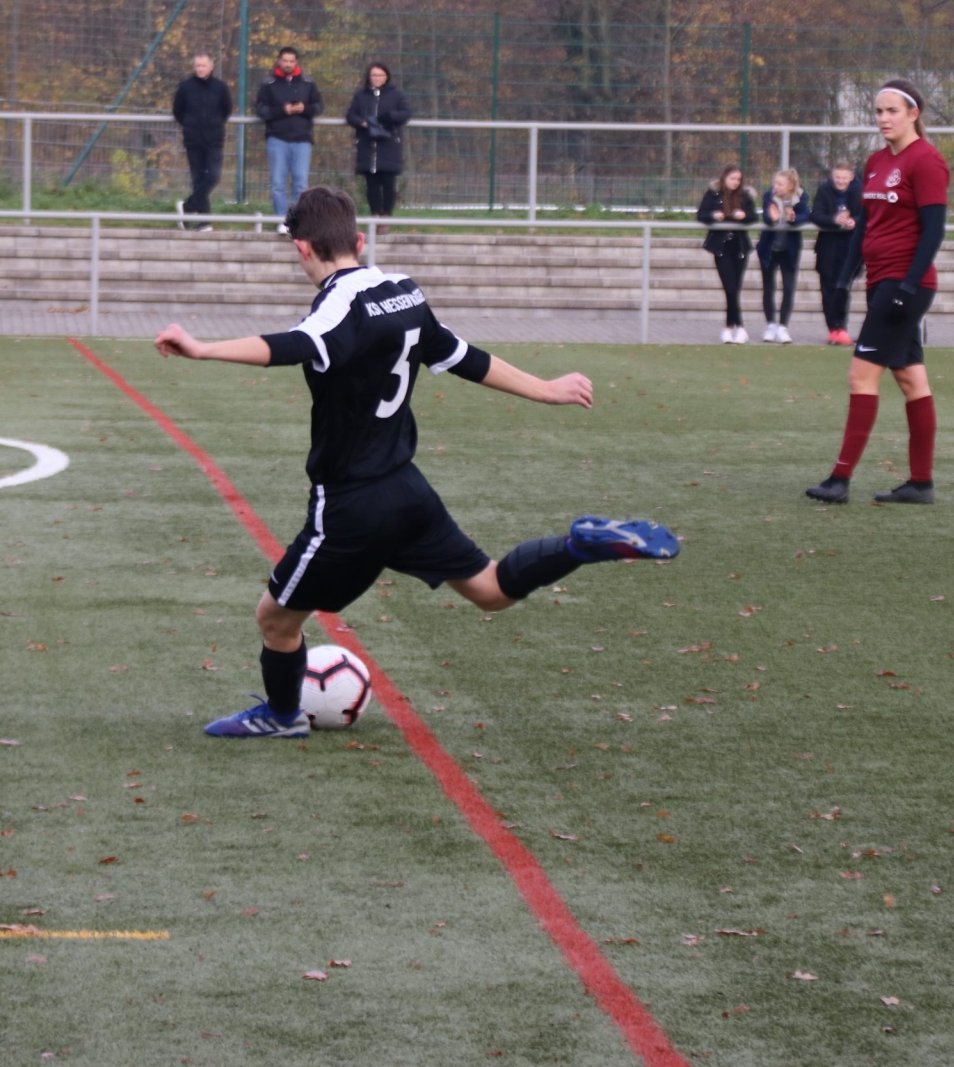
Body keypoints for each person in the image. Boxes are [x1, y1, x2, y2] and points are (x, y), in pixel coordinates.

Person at [153, 186, 681, 738]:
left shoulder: (338, 306)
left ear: (301, 248)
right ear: (359, 240)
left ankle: (283, 717)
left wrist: (205, 348)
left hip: (350, 507)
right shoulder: (404, 292)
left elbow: (296, 345)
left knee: (276, 619)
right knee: (490, 589)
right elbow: (463, 356)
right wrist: (546, 389)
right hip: (408, 492)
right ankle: (578, 546)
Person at [805, 78, 947, 505]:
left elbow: (934, 231)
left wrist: (907, 285)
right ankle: (921, 484)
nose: (883, 118)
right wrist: (845, 276)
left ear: (913, 114)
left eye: (892, 111)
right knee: (910, 378)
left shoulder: (927, 161)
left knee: (861, 374)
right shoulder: (876, 161)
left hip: (904, 284)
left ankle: (840, 480)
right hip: (881, 280)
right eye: (879, 111)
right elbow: (866, 225)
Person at [255, 46, 323, 232]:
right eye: (285, 61)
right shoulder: (268, 84)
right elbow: (260, 109)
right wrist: (282, 110)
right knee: (278, 183)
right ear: (279, 61)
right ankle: (282, 221)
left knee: (301, 183)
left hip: (302, 139)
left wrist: (304, 109)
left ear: (296, 62)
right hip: (277, 139)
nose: (288, 64)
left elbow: (318, 106)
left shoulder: (308, 83)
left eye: (291, 61)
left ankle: (297, 222)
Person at [697, 164, 758, 343]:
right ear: (724, 178)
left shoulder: (745, 195)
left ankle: (730, 328)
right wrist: (714, 215)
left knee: (734, 289)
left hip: (739, 247)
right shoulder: (713, 194)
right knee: (730, 288)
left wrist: (743, 215)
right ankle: (739, 327)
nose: (735, 182)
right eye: (732, 179)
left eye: (738, 179)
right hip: (722, 247)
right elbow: (701, 214)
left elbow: (753, 216)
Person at [172, 52, 233, 230]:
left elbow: (227, 109)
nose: (200, 69)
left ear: (211, 67)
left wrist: (214, 123)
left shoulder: (220, 87)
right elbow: (178, 111)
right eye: (197, 66)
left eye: (203, 65)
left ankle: (187, 206)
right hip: (193, 140)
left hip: (214, 140)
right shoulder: (185, 87)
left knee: (213, 176)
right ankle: (204, 221)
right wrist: (190, 124)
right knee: (198, 179)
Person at [345, 62, 411, 221]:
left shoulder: (396, 95)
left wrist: (389, 117)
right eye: (374, 75)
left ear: (386, 77)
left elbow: (405, 114)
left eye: (380, 75)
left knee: (388, 183)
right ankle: (374, 216)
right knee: (372, 184)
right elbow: (350, 115)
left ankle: (386, 216)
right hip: (368, 145)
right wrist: (362, 122)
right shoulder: (361, 95)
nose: (377, 78)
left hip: (389, 145)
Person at [811, 162, 863, 345]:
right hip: (827, 248)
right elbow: (816, 214)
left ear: (851, 177)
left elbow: (867, 214)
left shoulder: (860, 191)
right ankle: (833, 329)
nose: (840, 181)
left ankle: (841, 327)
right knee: (827, 290)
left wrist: (854, 221)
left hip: (850, 248)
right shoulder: (824, 190)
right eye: (837, 177)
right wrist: (834, 219)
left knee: (843, 288)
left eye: (844, 178)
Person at [756, 168, 809, 344]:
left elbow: (806, 215)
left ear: (790, 186)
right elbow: (766, 215)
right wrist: (772, 217)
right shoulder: (768, 196)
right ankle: (771, 325)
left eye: (780, 184)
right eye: (775, 183)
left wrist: (793, 217)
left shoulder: (801, 197)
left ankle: (783, 327)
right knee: (768, 287)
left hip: (789, 250)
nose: (776, 186)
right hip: (769, 249)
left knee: (788, 288)